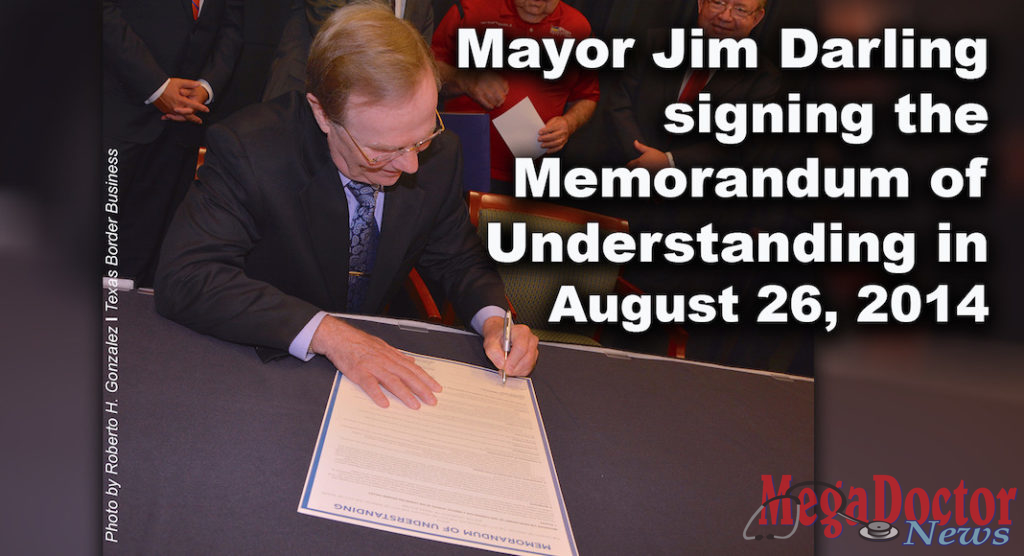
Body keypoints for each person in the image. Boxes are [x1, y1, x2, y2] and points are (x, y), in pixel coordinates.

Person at [156, 3, 540, 409]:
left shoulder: (440, 154)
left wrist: (495, 320)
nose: (410, 164)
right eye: (381, 150)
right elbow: (187, 277)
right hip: (260, 363)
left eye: (422, 137)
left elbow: (458, 260)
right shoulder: (252, 148)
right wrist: (330, 334)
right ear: (322, 113)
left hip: (368, 386)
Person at [103, 0, 244, 287]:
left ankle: (125, 327)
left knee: (142, 254)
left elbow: (231, 25)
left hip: (183, 126)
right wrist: (156, 86)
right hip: (116, 112)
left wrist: (207, 87)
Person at [431, 0, 600, 193]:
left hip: (529, 174)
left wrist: (569, 124)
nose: (537, 3)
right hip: (459, 162)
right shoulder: (470, 11)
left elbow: (587, 95)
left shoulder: (579, 28)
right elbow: (428, 71)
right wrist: (466, 80)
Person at [605, 0, 780, 171]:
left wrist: (668, 162)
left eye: (740, 9)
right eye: (718, 3)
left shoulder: (763, 79)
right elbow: (619, 104)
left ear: (757, 18)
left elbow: (741, 144)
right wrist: (642, 162)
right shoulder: (655, 43)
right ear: (701, 4)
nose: (725, 17)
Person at [262, 0, 435, 101]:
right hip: (307, 96)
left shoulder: (422, 4)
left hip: (375, 113)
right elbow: (338, 32)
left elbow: (419, 53)